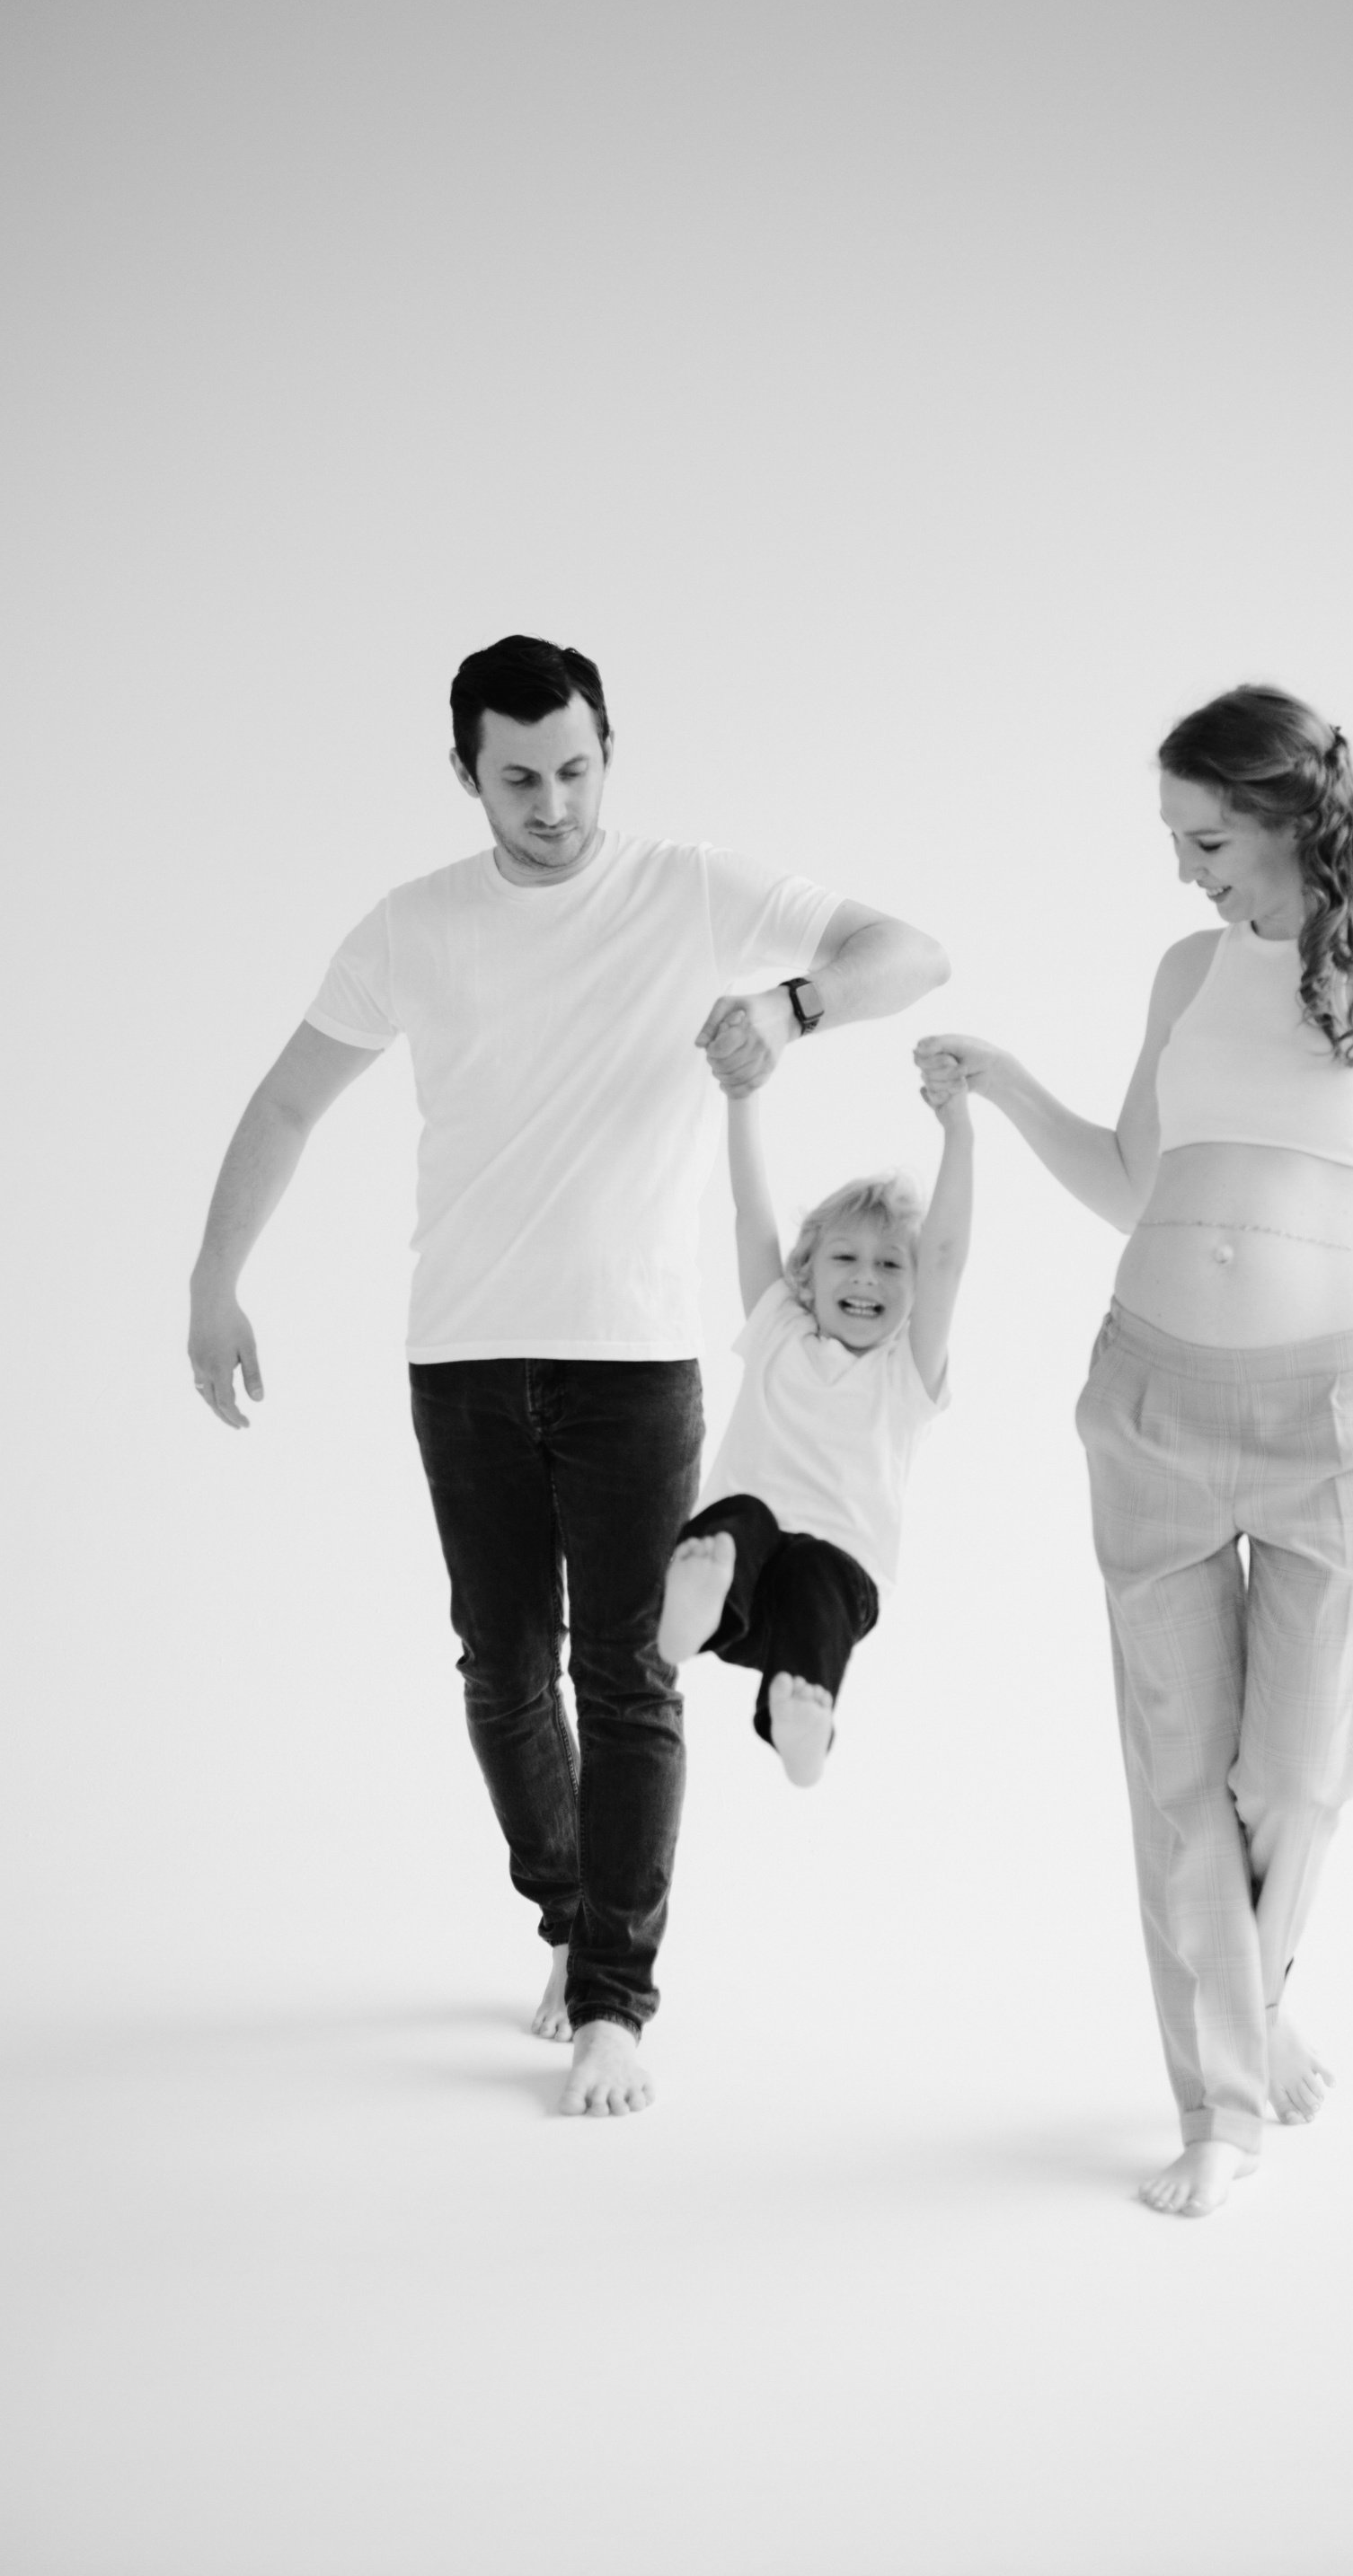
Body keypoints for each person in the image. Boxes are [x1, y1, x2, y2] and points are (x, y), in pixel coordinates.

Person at [187, 634, 948, 2119]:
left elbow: (911, 951)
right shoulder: (414, 926)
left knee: (630, 1674)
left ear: (610, 754)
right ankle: (567, 1915)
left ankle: (615, 1998)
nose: (553, 806)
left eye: (578, 771)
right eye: (520, 779)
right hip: (462, 1358)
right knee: (500, 1671)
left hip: (634, 1364)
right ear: (466, 773)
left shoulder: (691, 889)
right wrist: (215, 1280)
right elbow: (285, 1102)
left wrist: (790, 1008)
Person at [917, 684, 1353, 2216]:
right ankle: (1219, 2108)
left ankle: (1256, 1998)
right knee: (1180, 1786)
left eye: (1208, 841)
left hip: (1336, 1419)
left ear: (1293, 818)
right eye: (1174, 841)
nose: (1185, 871)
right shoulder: (1186, 971)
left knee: (1290, 1777)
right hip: (1151, 1400)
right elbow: (1130, 1179)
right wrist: (1002, 1085)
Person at [656, 1072, 973, 1785]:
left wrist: (959, 1130)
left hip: (823, 1599)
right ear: (805, 1273)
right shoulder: (779, 1329)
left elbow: (948, 1256)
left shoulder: (907, 1373)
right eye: (845, 1258)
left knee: (817, 1570)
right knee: (744, 1516)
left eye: (890, 1265)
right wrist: (742, 1095)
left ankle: (801, 1714)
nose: (866, 1278)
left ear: (916, 1291)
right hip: (741, 1575)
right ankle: (695, 1609)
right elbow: (750, 1215)